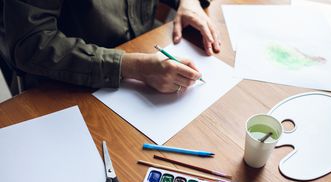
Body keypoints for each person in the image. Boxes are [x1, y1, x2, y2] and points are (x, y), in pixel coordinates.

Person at [0, 0, 220, 94]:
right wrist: (132, 66)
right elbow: (31, 42)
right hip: (69, 85)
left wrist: (189, 2)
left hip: (144, 56)